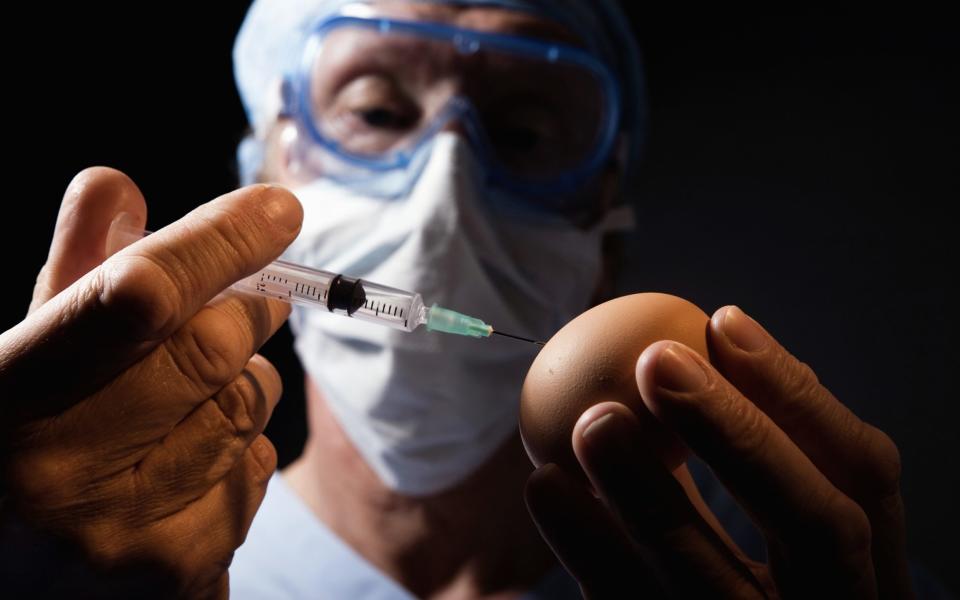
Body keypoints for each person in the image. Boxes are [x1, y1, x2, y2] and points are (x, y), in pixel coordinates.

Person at [0, 0, 940, 598]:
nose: (445, 194)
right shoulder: (118, 557)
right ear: (264, 170)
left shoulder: (782, 582)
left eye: (525, 130)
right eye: (373, 110)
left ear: (605, 236)